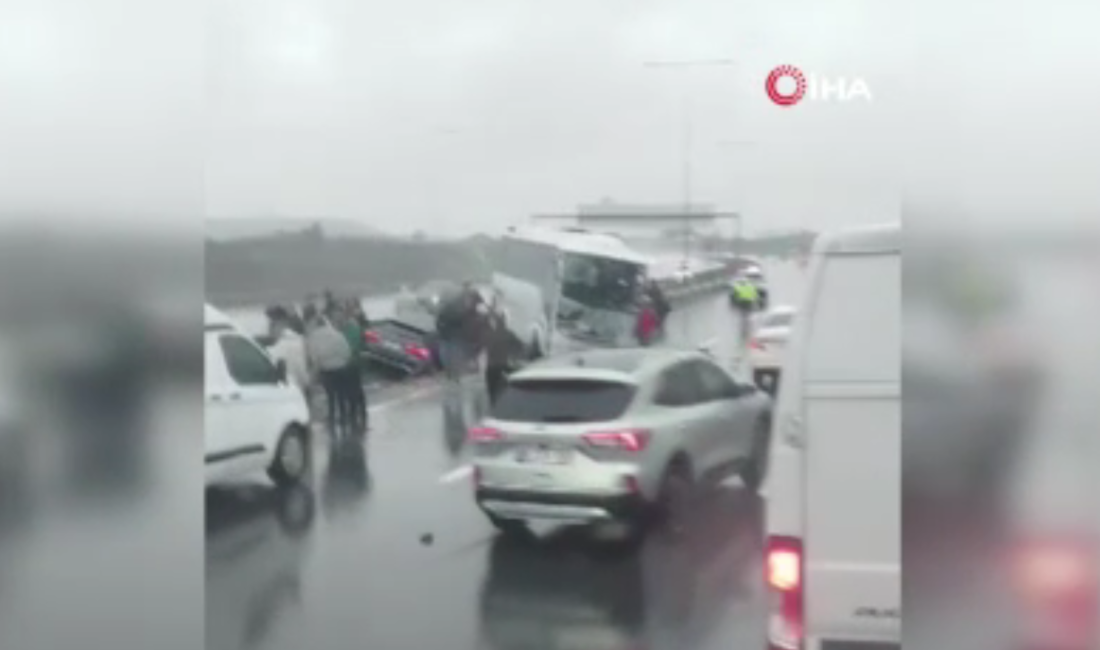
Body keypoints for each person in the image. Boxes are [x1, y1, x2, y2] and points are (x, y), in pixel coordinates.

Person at [304, 307, 354, 435]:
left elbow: (314, 358)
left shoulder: (313, 337)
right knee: (342, 395)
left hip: (327, 370)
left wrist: (312, 377)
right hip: (342, 368)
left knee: (331, 397)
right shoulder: (336, 333)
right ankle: (344, 418)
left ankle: (331, 420)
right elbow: (347, 351)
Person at [266, 308, 311, 400]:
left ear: (283, 323)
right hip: (288, 390)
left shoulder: (292, 342)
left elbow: (300, 368)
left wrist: (306, 384)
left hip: (293, 391)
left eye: (272, 323)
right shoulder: (297, 340)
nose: (269, 328)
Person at [337, 302, 368, 432]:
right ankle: (358, 411)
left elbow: (355, 345)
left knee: (353, 389)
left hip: (353, 362)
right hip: (350, 362)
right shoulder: (344, 329)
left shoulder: (353, 328)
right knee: (354, 388)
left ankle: (355, 412)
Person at [483, 310, 523, 405]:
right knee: (501, 392)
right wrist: (514, 357)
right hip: (502, 366)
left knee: (491, 393)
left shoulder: (490, 334)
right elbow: (520, 347)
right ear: (505, 321)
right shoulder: (508, 334)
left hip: (490, 367)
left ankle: (493, 406)